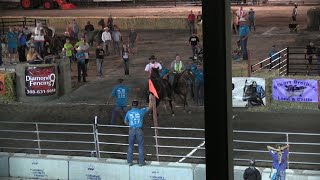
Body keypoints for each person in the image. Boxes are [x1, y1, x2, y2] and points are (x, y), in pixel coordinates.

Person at [124, 95, 153, 166]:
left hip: (131, 130)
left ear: (132, 105)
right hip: (139, 130)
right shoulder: (141, 111)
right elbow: (150, 107)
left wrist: (130, 125)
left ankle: (129, 161)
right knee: (140, 146)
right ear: (137, 105)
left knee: (130, 146)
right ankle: (141, 162)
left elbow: (125, 121)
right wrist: (150, 99)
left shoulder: (128, 112)